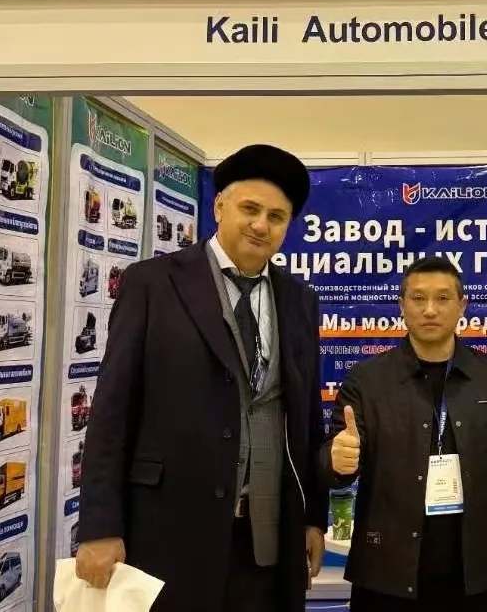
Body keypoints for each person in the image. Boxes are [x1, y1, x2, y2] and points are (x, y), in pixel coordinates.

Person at [74, 144, 330, 612]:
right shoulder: (152, 284)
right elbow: (112, 411)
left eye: (276, 216)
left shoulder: (300, 300)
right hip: (170, 535)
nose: (261, 225)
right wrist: (99, 526)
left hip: (266, 544)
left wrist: (313, 516)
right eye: (250, 209)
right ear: (219, 207)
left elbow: (307, 418)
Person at [321, 256, 487, 612]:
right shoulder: (367, 381)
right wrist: (337, 461)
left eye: (442, 298)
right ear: (402, 305)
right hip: (385, 578)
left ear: (462, 306)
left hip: (476, 580)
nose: (430, 310)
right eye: (418, 298)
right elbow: (330, 466)